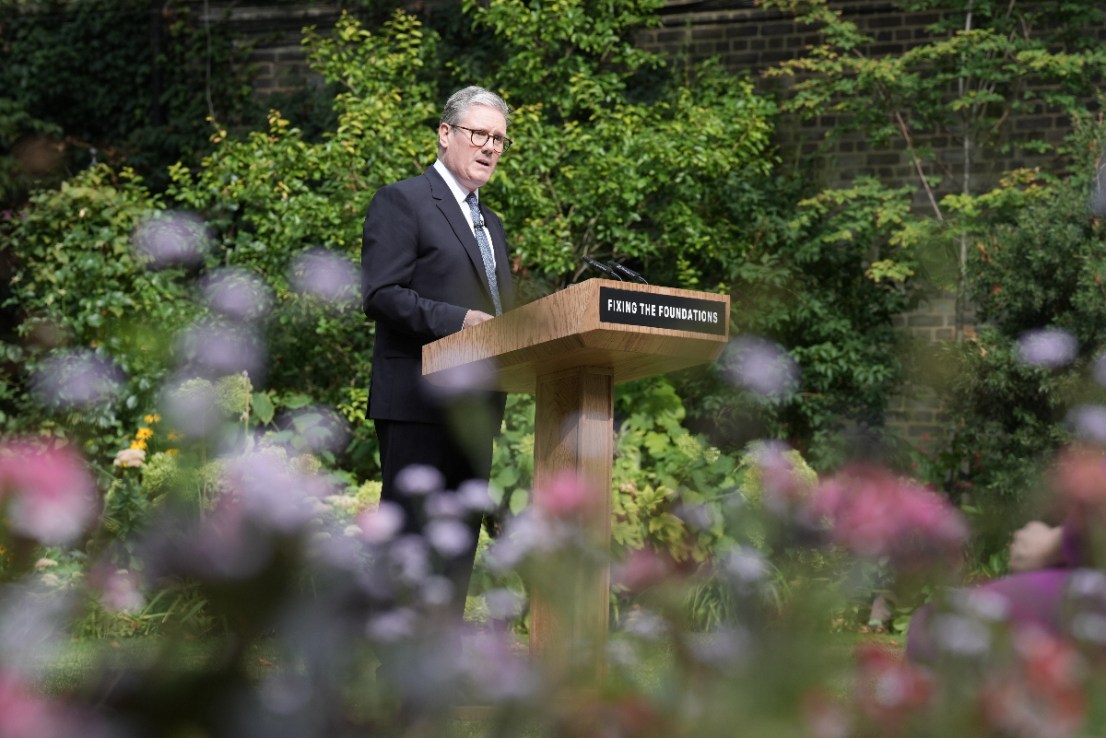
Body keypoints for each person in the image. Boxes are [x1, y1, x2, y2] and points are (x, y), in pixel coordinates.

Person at [361, 86, 515, 620]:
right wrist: (460, 322)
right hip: (417, 403)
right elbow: (381, 294)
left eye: (499, 138)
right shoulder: (402, 200)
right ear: (445, 134)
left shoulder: (491, 224)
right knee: (411, 542)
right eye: (480, 133)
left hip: (477, 408)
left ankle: (440, 666)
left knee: (456, 548)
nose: (491, 146)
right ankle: (393, 666)